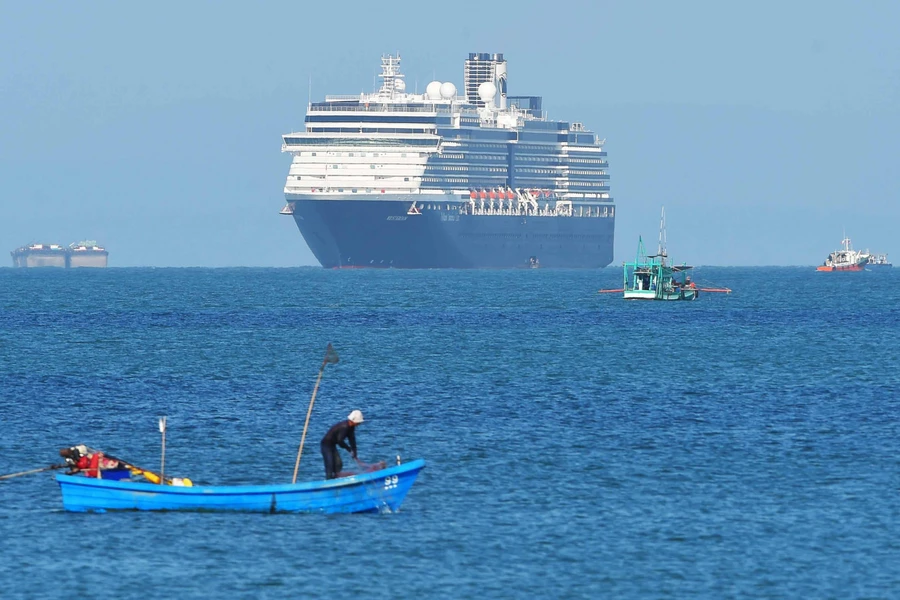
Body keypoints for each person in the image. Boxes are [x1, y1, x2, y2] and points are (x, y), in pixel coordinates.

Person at [320, 410, 364, 479]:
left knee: (338, 464)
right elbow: (340, 441)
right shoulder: (345, 427)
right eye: (358, 422)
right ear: (353, 421)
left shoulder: (351, 428)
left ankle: (335, 479)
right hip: (326, 445)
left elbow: (352, 439)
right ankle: (328, 482)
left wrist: (354, 451)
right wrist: (349, 449)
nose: (359, 424)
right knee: (330, 465)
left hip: (332, 445)